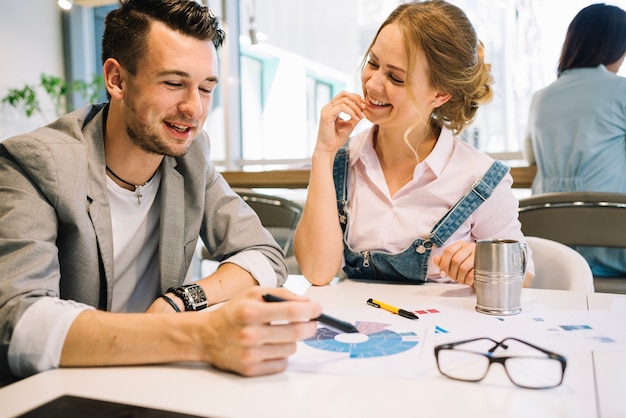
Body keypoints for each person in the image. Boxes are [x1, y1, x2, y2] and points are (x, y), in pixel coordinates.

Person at [0, 0, 322, 383]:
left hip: (153, 379)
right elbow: (18, 322)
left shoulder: (189, 155)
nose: (194, 108)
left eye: (206, 88)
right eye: (173, 83)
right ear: (117, 79)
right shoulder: (35, 163)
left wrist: (181, 300)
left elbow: (265, 254)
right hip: (64, 388)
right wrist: (200, 336)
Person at [294, 0, 534, 287]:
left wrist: (485, 264)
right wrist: (324, 153)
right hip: (358, 330)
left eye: (396, 78)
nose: (371, 84)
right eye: (372, 63)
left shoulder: (481, 179)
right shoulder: (342, 162)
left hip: (448, 330)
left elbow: (524, 277)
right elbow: (317, 272)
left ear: (440, 95)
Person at [524, 3, 626, 277]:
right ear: (615, 47)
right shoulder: (621, 90)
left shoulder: (541, 98)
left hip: (550, 242)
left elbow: (532, 157)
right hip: (611, 242)